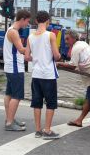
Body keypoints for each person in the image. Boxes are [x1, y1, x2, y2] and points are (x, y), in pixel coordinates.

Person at [57, 29, 90, 131]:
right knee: (88, 99)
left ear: (74, 38)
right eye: (65, 39)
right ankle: (79, 120)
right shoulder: (83, 44)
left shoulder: (76, 48)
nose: (66, 41)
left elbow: (72, 65)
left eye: (67, 39)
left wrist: (59, 64)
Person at [25, 11, 61, 139]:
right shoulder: (50, 35)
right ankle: (47, 130)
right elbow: (56, 56)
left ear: (36, 21)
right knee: (50, 103)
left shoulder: (30, 37)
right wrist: (57, 56)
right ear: (48, 21)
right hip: (48, 75)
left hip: (36, 74)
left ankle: (38, 130)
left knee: (37, 102)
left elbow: (27, 56)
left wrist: (36, 58)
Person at [3, 10, 31, 131]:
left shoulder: (10, 30)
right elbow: (21, 50)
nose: (27, 24)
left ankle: (10, 118)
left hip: (10, 67)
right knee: (17, 96)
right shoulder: (14, 32)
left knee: (9, 94)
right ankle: (9, 123)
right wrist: (34, 49)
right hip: (15, 67)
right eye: (27, 21)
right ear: (23, 19)